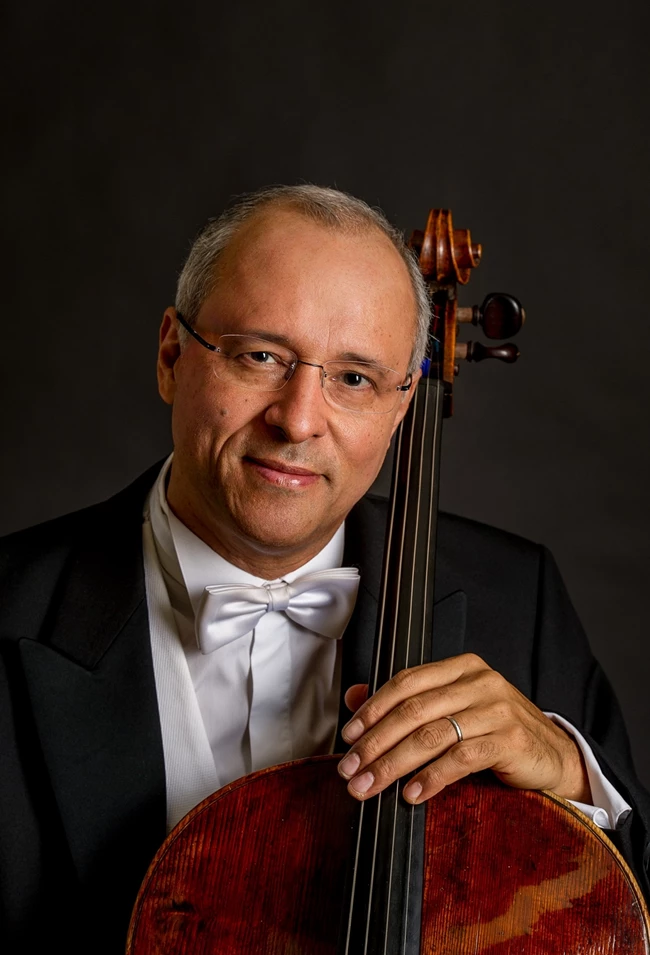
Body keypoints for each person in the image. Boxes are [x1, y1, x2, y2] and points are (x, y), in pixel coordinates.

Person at [1, 184, 648, 953]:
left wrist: (570, 773)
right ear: (172, 355)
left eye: (354, 378)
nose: (298, 419)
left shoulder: (517, 597)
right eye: (260, 356)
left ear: (403, 405)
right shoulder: (12, 608)